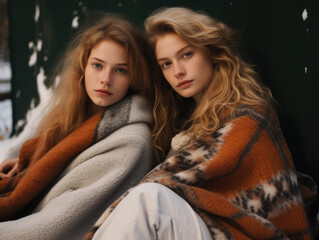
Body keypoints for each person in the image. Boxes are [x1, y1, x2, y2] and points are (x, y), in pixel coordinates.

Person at [85, 7, 317, 240]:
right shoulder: (183, 122)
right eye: (166, 64)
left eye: (186, 55)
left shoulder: (249, 118)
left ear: (211, 51)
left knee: (149, 201)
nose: (178, 71)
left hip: (236, 234)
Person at [0, 13, 156, 239]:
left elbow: (51, 228)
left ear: (135, 77)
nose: (105, 79)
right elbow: (72, 169)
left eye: (121, 69)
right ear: (83, 67)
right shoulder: (80, 117)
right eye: (97, 65)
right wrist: (31, 164)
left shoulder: (131, 143)